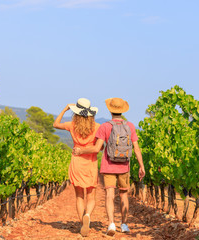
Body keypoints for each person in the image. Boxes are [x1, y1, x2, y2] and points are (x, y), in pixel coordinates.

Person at [74, 97, 145, 236]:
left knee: (110, 195)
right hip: (124, 166)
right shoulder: (130, 126)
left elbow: (96, 149)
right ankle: (124, 224)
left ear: (110, 110)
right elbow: (136, 148)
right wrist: (141, 166)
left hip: (108, 166)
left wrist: (81, 151)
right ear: (122, 110)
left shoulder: (105, 127)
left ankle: (111, 223)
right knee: (124, 195)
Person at [53, 98, 100, 237]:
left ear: (76, 113)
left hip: (77, 161)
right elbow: (100, 146)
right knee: (91, 196)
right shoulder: (97, 127)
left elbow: (55, 124)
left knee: (79, 196)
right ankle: (87, 216)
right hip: (91, 162)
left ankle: (81, 223)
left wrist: (65, 108)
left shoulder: (72, 125)